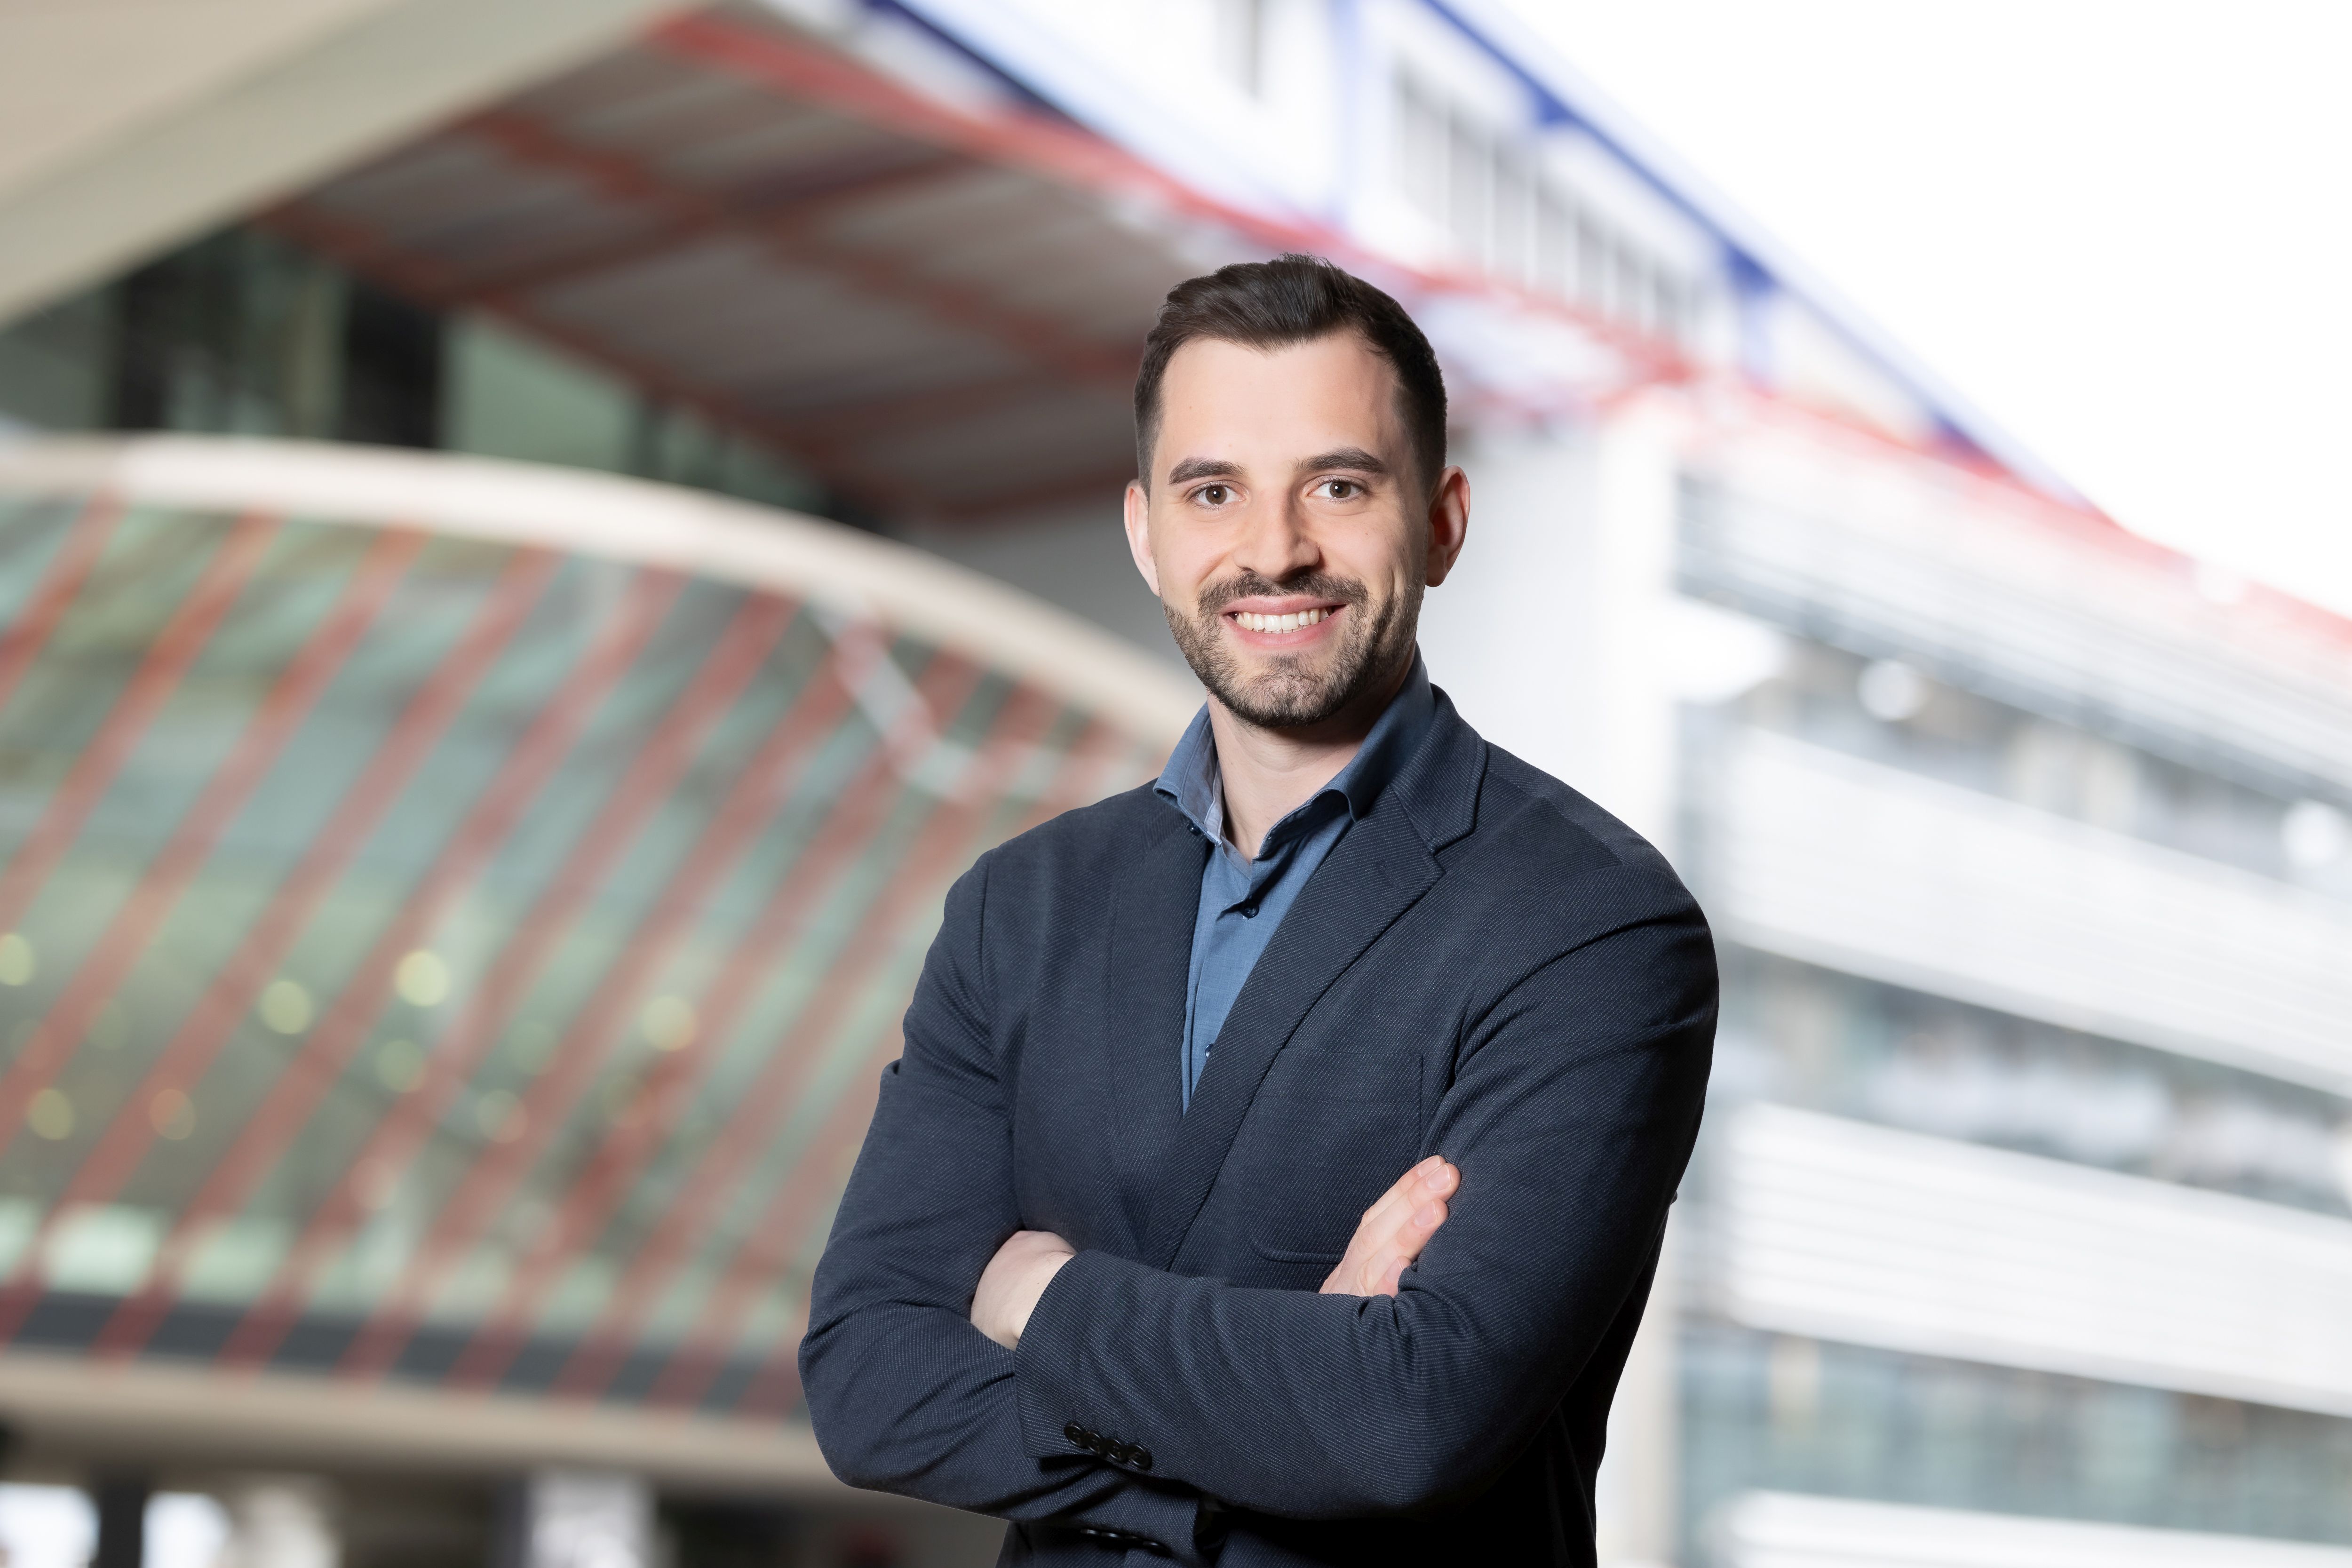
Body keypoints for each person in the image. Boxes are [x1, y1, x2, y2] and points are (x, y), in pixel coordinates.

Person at [799, 255, 1715, 1565]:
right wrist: (1268, 1413)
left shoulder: (1592, 927)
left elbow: (1405, 1419)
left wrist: (1033, 1290)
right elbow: (869, 1381)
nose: (1273, 550)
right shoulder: (1023, 906)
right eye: (1212, 491)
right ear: (1146, 534)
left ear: (1444, 522)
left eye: (1338, 487)